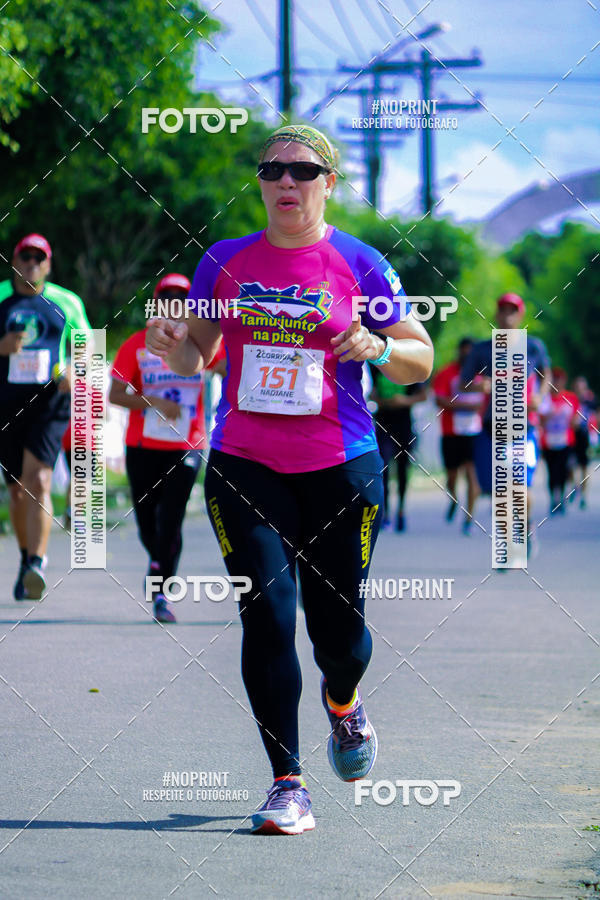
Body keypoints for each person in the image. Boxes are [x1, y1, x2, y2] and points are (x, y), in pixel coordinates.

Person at [146, 124, 433, 834]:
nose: (285, 182)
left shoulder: (360, 263)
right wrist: (179, 347)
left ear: (327, 182)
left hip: (341, 463)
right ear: (261, 181)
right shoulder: (223, 260)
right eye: (272, 169)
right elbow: (196, 363)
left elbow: (419, 359)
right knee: (267, 615)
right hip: (245, 464)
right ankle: (287, 783)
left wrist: (375, 343)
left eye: (302, 171)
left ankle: (344, 701)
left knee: (339, 636)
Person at [109, 273, 224, 624]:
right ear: (157, 301)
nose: (175, 301)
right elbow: (114, 394)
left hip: (187, 445)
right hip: (142, 445)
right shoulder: (137, 344)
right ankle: (157, 561)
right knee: (147, 522)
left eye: (183, 296)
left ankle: (161, 590)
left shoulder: (206, 344)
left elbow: (232, 370)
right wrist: (152, 401)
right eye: (168, 295)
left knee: (170, 519)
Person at [0, 233, 91, 600]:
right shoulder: (1, 298)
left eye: (39, 259)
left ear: (49, 265)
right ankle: (25, 560)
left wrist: (73, 368)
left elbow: (87, 346)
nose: (31, 264)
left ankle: (37, 563)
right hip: (5, 404)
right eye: (25, 257)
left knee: (38, 479)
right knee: (17, 492)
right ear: (14, 261)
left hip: (49, 404)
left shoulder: (65, 302)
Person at [461, 293, 551, 557]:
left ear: (520, 315)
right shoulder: (482, 349)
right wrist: (480, 384)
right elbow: (462, 382)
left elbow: (546, 375)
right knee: (500, 490)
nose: (508, 315)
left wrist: (540, 396)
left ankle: (525, 526)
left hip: (524, 427)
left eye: (513, 310)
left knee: (520, 486)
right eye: (503, 310)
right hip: (493, 428)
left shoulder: (533, 346)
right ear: (496, 314)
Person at [432, 338, 483, 535]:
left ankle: (469, 519)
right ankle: (453, 499)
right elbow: (439, 400)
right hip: (451, 432)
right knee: (452, 478)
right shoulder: (446, 373)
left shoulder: (482, 376)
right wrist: (467, 406)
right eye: (465, 353)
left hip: (474, 433)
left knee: (471, 475)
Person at [370, 366, 427, 532]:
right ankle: (385, 514)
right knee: (383, 469)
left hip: (404, 425)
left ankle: (401, 511)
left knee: (403, 469)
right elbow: (371, 392)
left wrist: (404, 401)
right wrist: (383, 401)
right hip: (383, 423)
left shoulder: (408, 367)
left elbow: (423, 395)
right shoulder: (377, 368)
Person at [540, 368, 580, 516]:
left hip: (565, 440)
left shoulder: (571, 398)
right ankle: (553, 499)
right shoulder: (544, 399)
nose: (556, 382)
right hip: (548, 441)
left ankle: (561, 497)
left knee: (563, 470)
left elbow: (576, 418)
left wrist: (574, 423)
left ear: (564, 381)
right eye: (554, 379)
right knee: (551, 471)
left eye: (559, 379)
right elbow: (540, 420)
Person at [570, 375, 597, 509]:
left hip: (586, 435)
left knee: (584, 466)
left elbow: (596, 415)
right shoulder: (571, 399)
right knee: (570, 465)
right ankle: (576, 486)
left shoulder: (591, 400)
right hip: (573, 434)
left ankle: (584, 495)